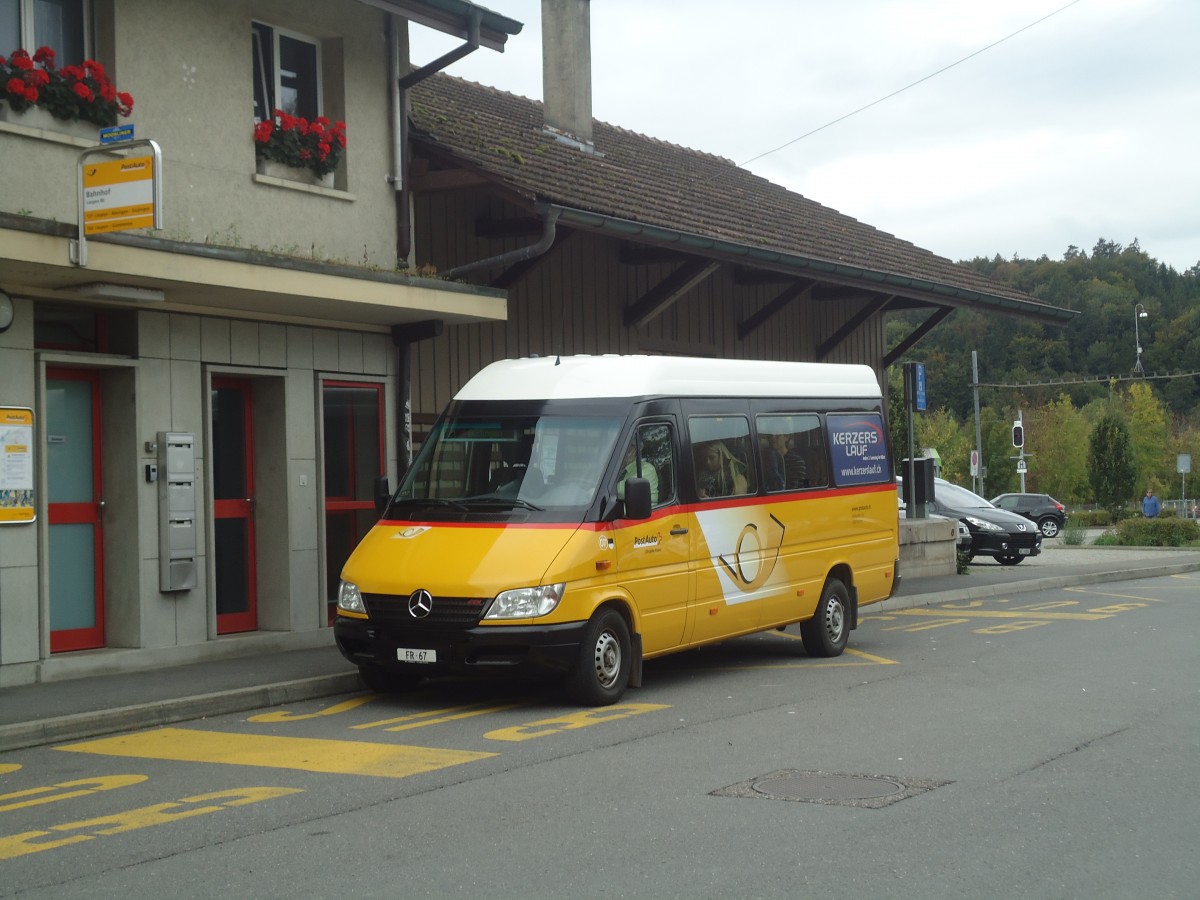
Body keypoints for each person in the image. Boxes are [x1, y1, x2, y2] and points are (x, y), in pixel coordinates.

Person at [617, 438, 659, 505]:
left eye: (629, 448)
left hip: (636, 514)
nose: (623, 452)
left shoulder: (646, 469)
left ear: (636, 449)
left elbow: (649, 504)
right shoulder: (613, 469)